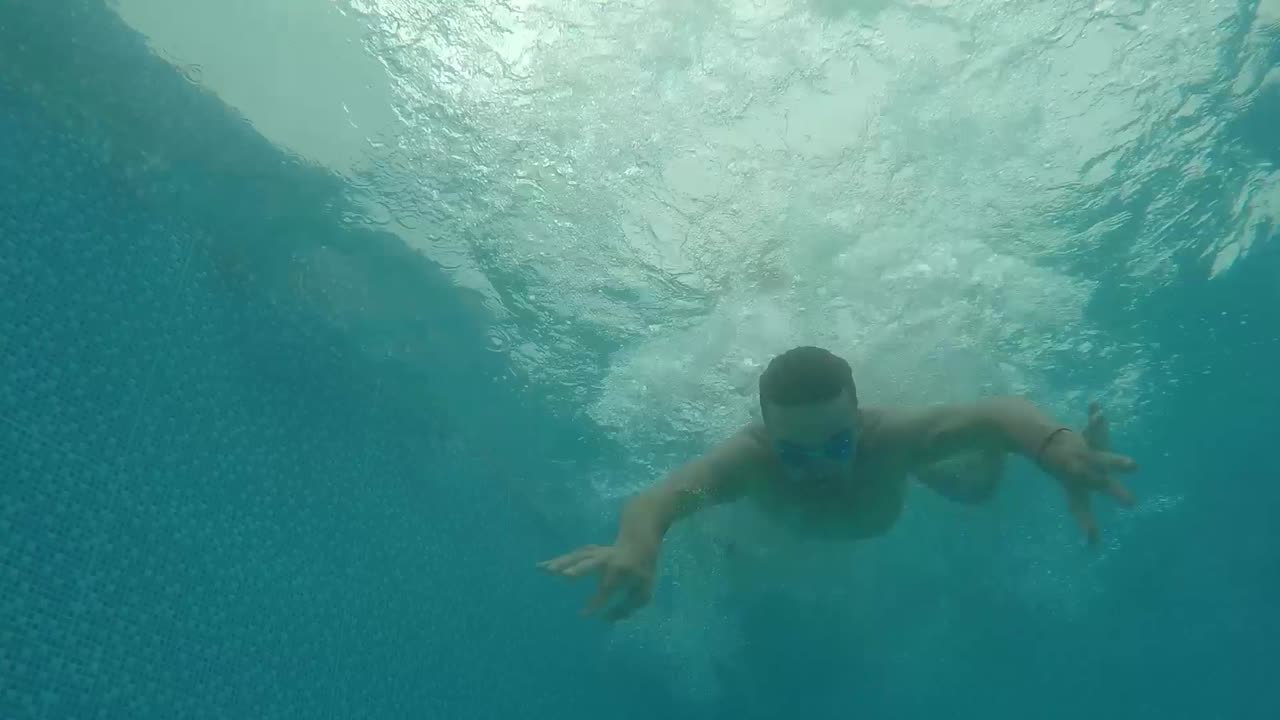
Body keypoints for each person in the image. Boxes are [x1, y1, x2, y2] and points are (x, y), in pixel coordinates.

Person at [538, 345, 1138, 621]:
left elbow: (996, 412)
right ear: (768, 437)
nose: (820, 465)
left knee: (976, 489)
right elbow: (662, 500)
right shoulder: (748, 464)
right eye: (795, 451)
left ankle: (980, 463)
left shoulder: (891, 438)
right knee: (728, 550)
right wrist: (641, 546)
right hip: (776, 534)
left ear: (860, 417)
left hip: (890, 487)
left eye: (837, 443)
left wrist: (1054, 446)